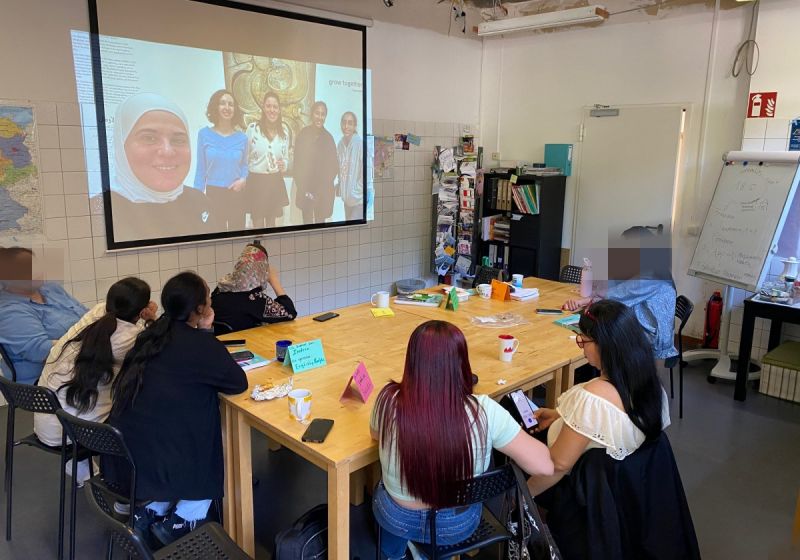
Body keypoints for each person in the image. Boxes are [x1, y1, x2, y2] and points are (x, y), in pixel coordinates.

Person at [370, 320, 554, 559]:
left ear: (411, 362)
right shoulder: (485, 411)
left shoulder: (387, 401)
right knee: (443, 533)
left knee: (382, 493)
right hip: (456, 524)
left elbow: (376, 434)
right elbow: (545, 466)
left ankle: (393, 554)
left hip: (398, 517)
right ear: (462, 363)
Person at [106, 271, 248, 545]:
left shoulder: (150, 335)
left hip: (128, 451)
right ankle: (182, 519)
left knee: (173, 423)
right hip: (168, 454)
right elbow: (237, 383)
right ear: (200, 309)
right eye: (208, 299)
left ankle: (152, 509)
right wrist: (207, 333)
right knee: (204, 433)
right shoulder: (200, 345)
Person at [527, 299, 671, 497]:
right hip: (626, 489)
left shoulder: (593, 398)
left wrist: (522, 497)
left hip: (578, 490)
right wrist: (562, 416)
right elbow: (604, 424)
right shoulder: (652, 387)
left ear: (604, 345)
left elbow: (558, 465)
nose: (582, 348)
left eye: (583, 341)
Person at [33, 278, 156, 483]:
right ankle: (123, 483)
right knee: (143, 410)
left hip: (48, 424)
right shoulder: (131, 338)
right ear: (141, 311)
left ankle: (84, 468)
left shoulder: (96, 315)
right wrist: (151, 319)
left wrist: (142, 318)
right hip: (75, 433)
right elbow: (158, 348)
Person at [95, 92, 217, 242]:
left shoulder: (200, 202)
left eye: (178, 140)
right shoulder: (95, 212)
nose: (167, 151)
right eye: (149, 138)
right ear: (121, 146)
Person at [563, 227, 677, 360]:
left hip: (653, 340)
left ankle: (600, 373)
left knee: (595, 331)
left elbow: (614, 296)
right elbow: (616, 293)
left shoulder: (649, 277)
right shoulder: (653, 268)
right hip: (652, 331)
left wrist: (584, 302)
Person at [0, 247, 86, 384]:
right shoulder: (8, 310)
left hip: (80, 367)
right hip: (44, 383)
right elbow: (43, 351)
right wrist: (92, 344)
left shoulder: (51, 288)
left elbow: (88, 317)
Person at [192, 89, 249, 231]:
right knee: (216, 236)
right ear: (215, 107)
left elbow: (245, 165)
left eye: (231, 104)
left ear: (235, 110)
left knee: (237, 237)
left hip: (236, 194)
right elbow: (200, 170)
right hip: (214, 194)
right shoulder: (204, 134)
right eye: (222, 103)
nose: (227, 107)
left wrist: (243, 179)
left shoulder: (242, 138)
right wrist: (196, 199)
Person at [211, 243, 296, 334]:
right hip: (244, 345)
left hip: (219, 343)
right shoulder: (253, 299)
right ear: (261, 269)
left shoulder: (220, 288)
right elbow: (290, 313)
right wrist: (274, 280)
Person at [245, 91, 291, 228]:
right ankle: (258, 250)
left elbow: (286, 158)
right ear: (263, 108)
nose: (272, 110)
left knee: (272, 224)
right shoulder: (253, 129)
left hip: (274, 182)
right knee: (258, 225)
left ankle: (271, 249)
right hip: (256, 182)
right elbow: (244, 157)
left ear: (279, 109)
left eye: (275, 107)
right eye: (269, 106)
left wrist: (285, 164)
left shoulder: (284, 132)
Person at [293, 101, 339, 225]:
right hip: (306, 191)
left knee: (320, 227)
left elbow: (334, 167)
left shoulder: (329, 139)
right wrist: (305, 190)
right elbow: (297, 165)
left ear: (325, 117)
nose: (319, 117)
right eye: (317, 113)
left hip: (322, 193)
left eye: (322, 114)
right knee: (306, 225)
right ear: (312, 114)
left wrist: (319, 191)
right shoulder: (303, 135)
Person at [336, 111, 364, 221]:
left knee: (355, 233)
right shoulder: (340, 145)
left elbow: (365, 174)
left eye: (350, 123)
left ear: (355, 126)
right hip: (346, 201)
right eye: (344, 122)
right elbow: (340, 170)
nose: (346, 126)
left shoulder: (360, 144)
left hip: (358, 201)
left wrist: (354, 193)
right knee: (349, 232)